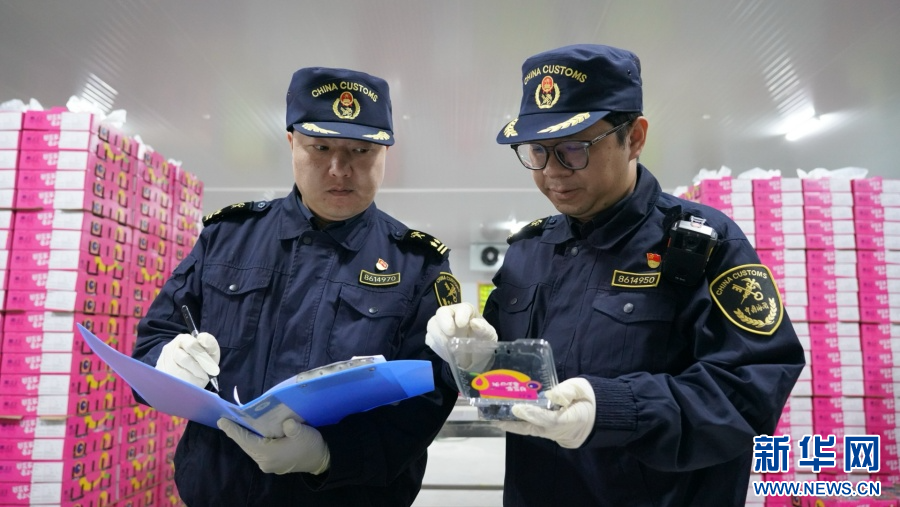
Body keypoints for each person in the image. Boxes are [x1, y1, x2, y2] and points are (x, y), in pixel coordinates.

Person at [425, 44, 805, 506]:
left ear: (635, 138)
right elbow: (511, 383)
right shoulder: (529, 252)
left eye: (574, 149)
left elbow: (751, 388)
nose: (553, 173)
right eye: (537, 151)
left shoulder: (703, 245)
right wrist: (472, 357)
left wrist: (614, 409)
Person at [133, 67, 460, 506]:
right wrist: (166, 365)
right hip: (220, 491)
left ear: (385, 153)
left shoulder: (417, 263)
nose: (339, 169)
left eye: (361, 151)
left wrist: (329, 456)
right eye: (320, 148)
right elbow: (153, 340)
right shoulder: (227, 238)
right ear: (292, 143)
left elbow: (429, 395)